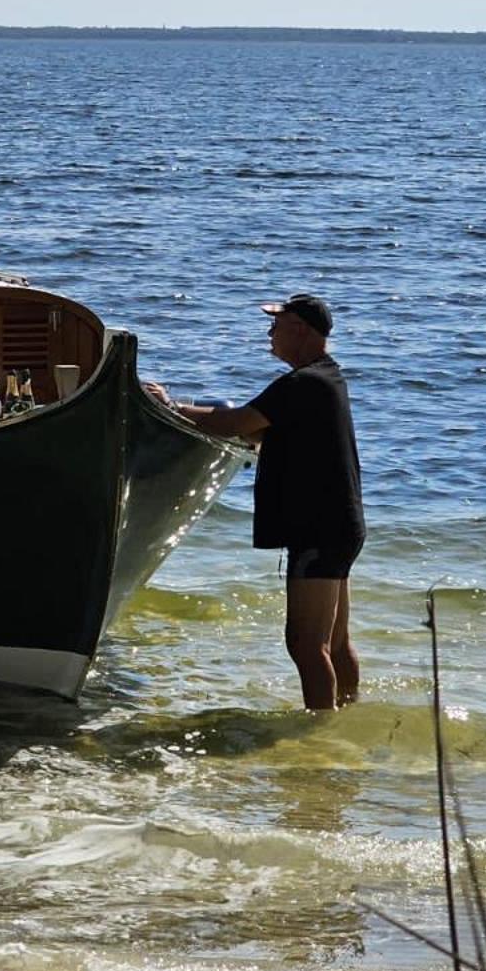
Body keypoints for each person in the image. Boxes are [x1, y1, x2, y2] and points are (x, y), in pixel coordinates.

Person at [145, 294, 364, 712]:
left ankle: (319, 732)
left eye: (276, 324)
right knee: (334, 642)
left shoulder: (304, 383)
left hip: (319, 530)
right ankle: (348, 716)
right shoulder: (328, 378)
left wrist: (170, 406)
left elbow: (238, 422)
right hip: (342, 525)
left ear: (300, 329)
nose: (269, 333)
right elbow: (266, 434)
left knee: (304, 644)